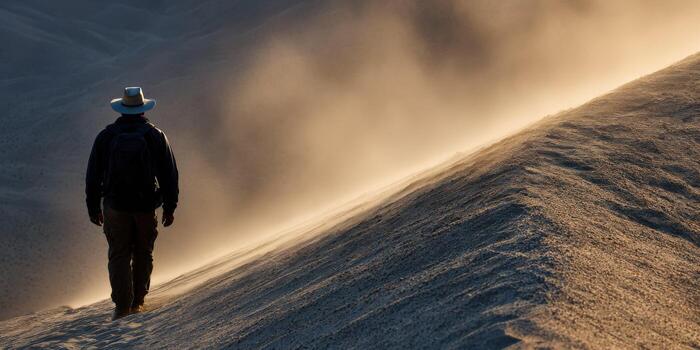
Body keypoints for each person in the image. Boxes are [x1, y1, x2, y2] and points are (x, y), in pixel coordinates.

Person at [86, 87, 179, 320]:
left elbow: (93, 175)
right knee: (143, 252)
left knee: (118, 254)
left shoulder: (106, 136)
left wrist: (93, 207)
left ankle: (121, 306)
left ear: (122, 109)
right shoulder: (155, 135)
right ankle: (138, 302)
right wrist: (170, 206)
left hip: (114, 206)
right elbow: (169, 174)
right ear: (142, 109)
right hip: (146, 206)